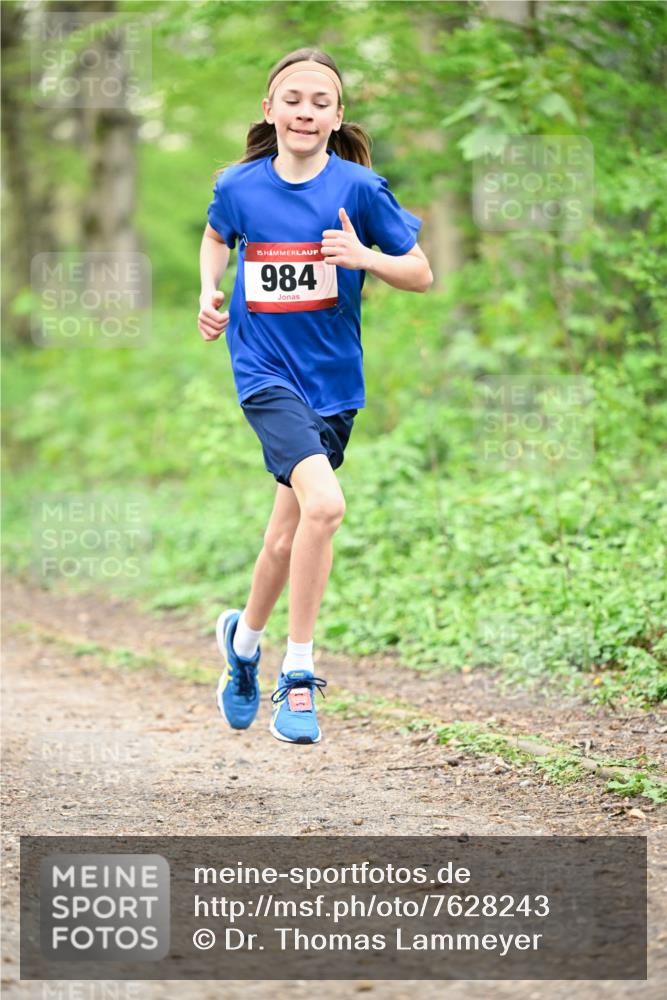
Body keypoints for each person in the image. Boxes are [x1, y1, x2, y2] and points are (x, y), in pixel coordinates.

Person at [199, 47, 433, 745]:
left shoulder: (358, 189)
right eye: (292, 99)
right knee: (325, 507)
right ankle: (296, 676)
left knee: (283, 535)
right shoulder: (239, 186)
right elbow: (216, 238)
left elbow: (419, 272)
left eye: (320, 101)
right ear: (269, 110)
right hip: (264, 375)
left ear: (337, 117)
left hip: (333, 386)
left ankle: (243, 645)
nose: (305, 111)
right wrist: (208, 291)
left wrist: (365, 260)